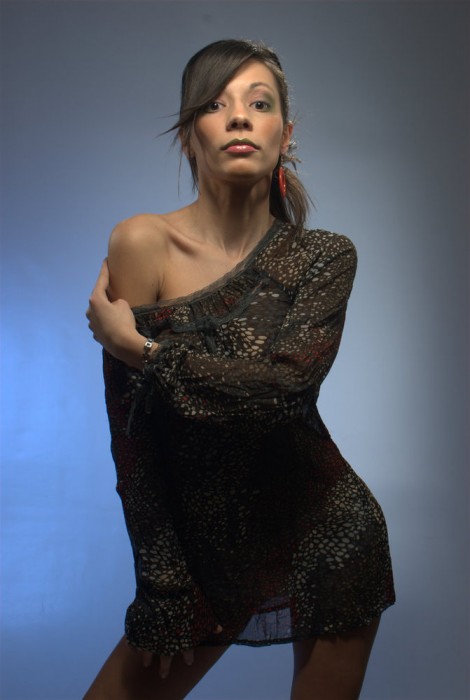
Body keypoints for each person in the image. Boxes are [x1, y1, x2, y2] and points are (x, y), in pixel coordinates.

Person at [85, 39, 395, 700]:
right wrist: (162, 581)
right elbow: (134, 439)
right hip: (203, 550)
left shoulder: (323, 257)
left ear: (286, 134)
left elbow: (283, 393)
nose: (238, 118)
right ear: (188, 135)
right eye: (214, 104)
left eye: (259, 103)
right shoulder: (142, 241)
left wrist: (142, 350)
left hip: (326, 533)